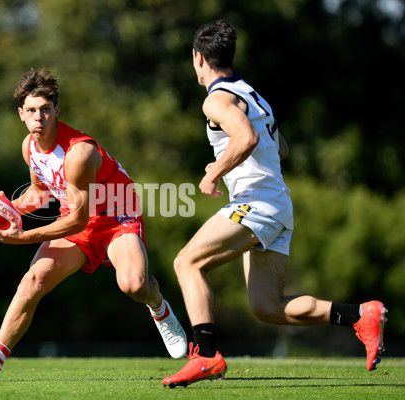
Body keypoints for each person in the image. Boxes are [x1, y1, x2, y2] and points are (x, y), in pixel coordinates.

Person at [162, 20, 387, 388]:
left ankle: (204, 355)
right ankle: (361, 315)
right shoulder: (252, 94)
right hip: (278, 205)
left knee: (186, 262)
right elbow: (279, 147)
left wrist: (214, 171)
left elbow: (247, 137)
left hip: (257, 204)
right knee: (267, 306)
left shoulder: (216, 99)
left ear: (198, 58)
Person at [0, 68, 187, 381]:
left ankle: (160, 309)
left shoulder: (79, 153)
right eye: (31, 111)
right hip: (80, 215)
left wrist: (23, 236)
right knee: (32, 281)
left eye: (46, 110)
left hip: (117, 213)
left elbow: (77, 219)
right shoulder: (29, 147)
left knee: (133, 285)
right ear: (21, 114)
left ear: (57, 110)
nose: (39, 118)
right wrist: (13, 207)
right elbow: (40, 191)